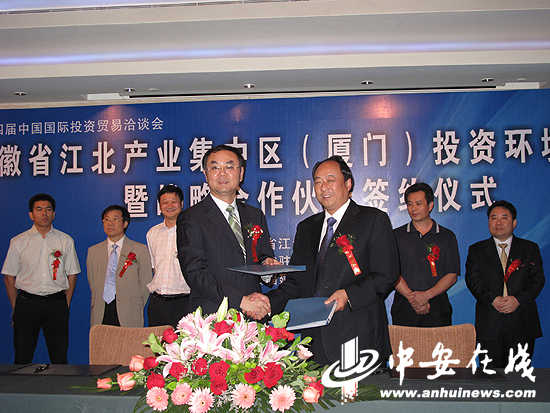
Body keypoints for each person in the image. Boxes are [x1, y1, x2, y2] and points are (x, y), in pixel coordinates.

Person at [265, 156, 399, 366]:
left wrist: (349, 295)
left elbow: (386, 275)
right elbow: (297, 281)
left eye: (330, 180)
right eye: (317, 182)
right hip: (314, 342)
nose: (323, 187)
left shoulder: (373, 220)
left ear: (348, 183)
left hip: (359, 338)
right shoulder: (306, 228)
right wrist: (267, 302)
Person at [177, 144, 279, 318]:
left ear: (241, 173)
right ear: (206, 174)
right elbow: (195, 272)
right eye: (215, 167)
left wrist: (268, 268)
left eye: (229, 167)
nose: (222, 173)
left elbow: (263, 257)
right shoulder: (191, 217)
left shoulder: (255, 215)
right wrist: (240, 300)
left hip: (253, 314)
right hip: (213, 315)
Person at [2, 193, 80, 364]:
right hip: (27, 304)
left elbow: (72, 275)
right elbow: (9, 277)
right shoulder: (18, 241)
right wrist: (17, 306)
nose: (44, 213)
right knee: (22, 357)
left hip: (56, 304)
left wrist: (65, 304)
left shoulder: (65, 240)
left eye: (48, 209)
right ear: (31, 214)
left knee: (59, 357)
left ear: (54, 214)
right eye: (39, 209)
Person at [465, 200, 545, 368]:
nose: (498, 222)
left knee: (520, 377)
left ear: (514, 223)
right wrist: (492, 299)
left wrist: (518, 300)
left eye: (504, 218)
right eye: (493, 218)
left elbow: (537, 279)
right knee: (491, 376)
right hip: (490, 324)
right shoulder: (477, 250)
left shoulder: (529, 248)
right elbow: (472, 280)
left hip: (522, 322)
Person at [391, 183, 460, 327]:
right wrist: (413, 299)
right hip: (405, 306)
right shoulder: (396, 236)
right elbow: (391, 272)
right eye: (409, 204)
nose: (413, 209)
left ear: (430, 205)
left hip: (437, 305)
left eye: (418, 204)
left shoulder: (446, 236)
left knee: (438, 343)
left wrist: (426, 296)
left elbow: (452, 275)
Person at [87, 205, 152, 327]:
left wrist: (135, 303)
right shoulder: (93, 251)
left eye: (115, 219)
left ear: (125, 223)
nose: (110, 223)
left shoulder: (139, 249)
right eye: (107, 220)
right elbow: (92, 281)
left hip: (129, 309)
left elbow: (146, 281)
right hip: (101, 308)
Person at [147, 185, 190, 327]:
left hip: (184, 301)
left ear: (181, 204)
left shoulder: (192, 231)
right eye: (165, 202)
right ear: (159, 206)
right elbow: (155, 267)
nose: (169, 206)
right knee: (156, 341)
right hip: (157, 303)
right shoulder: (152, 233)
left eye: (173, 202)